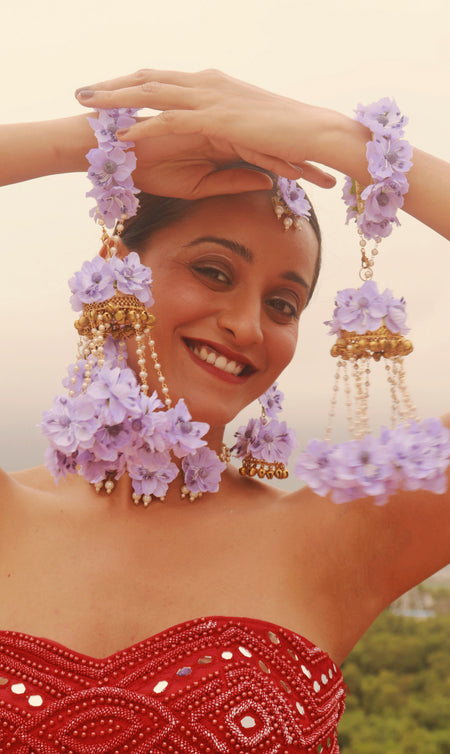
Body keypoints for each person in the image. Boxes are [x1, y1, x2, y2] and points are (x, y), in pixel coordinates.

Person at [0, 69, 448, 752]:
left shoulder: (339, 537)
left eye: (282, 304)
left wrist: (344, 143)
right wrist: (101, 147)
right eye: (213, 270)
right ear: (121, 267)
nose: (247, 325)